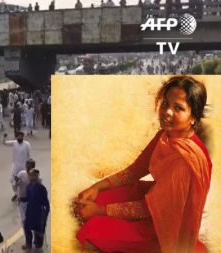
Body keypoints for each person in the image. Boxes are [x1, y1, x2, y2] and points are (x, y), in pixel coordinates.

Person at [74, 76, 212, 253]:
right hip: (154, 198)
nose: (167, 112)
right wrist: (97, 187)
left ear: (193, 117)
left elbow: (149, 209)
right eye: (165, 104)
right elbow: (134, 172)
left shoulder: (183, 161)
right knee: (93, 198)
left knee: (92, 229)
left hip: (163, 229)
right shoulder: (166, 136)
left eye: (178, 108)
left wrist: (100, 211)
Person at [23, 169, 49, 250]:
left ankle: (38, 246)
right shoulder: (28, 187)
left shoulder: (41, 188)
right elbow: (28, 198)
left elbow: (45, 202)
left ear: (37, 176)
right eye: (31, 175)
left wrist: (46, 212)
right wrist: (22, 199)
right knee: (27, 227)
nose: (32, 177)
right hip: (30, 210)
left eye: (34, 175)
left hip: (38, 212)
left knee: (38, 230)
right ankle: (29, 244)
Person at [3, 132, 31, 202]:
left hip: (24, 167)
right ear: (16, 137)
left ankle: (25, 194)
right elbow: (5, 143)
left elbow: (29, 156)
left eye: (21, 136)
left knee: (25, 182)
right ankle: (16, 193)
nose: (19, 138)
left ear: (23, 137)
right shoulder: (14, 143)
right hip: (15, 167)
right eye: (18, 136)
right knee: (13, 181)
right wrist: (4, 137)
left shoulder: (27, 144)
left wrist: (29, 166)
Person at [13, 159, 36, 238]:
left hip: (31, 202)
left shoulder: (36, 177)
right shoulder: (21, 174)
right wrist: (16, 183)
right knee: (23, 221)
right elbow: (14, 187)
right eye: (27, 166)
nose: (28, 168)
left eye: (30, 167)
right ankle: (28, 238)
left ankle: (32, 238)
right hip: (21, 201)